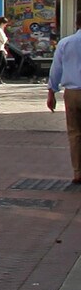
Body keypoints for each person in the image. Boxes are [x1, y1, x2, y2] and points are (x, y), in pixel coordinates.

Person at [44, 22, 81, 183]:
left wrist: (51, 91)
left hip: (72, 92)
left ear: (76, 24)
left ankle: (78, 172)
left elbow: (56, 69)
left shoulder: (65, 43)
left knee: (75, 133)